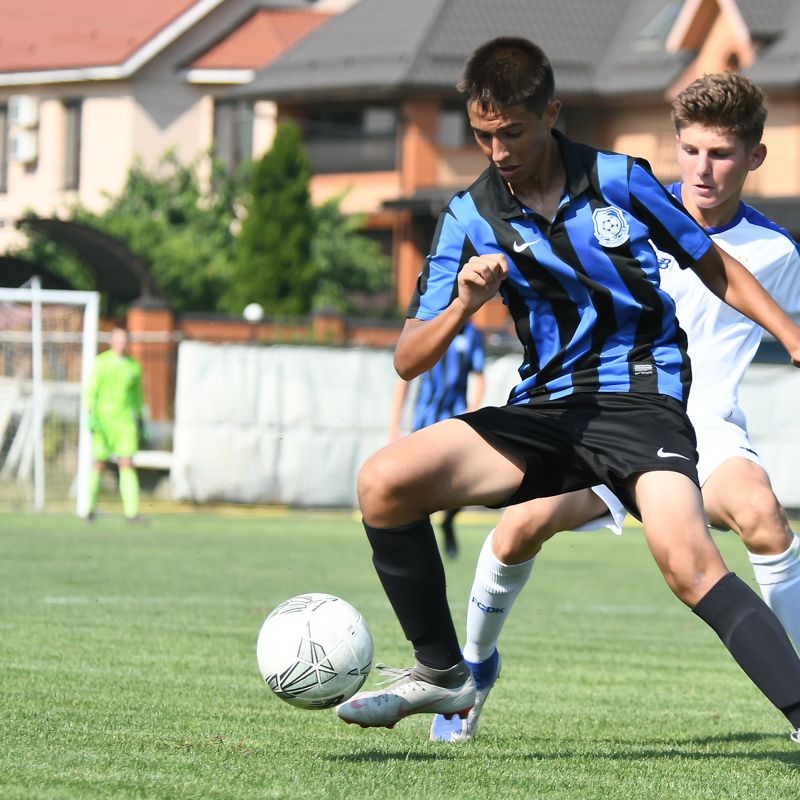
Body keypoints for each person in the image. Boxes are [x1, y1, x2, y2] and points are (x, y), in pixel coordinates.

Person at [334, 37, 800, 744]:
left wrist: (792, 338)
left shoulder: (620, 180)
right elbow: (407, 358)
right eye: (482, 134)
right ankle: (443, 673)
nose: (497, 150)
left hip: (642, 402)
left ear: (551, 113)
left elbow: (715, 266)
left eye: (512, 132)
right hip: (549, 411)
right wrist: (462, 305)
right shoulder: (469, 215)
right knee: (384, 483)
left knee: (690, 564)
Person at [388, 321, 486, 558]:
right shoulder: (429, 326)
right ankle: (419, 541)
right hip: (426, 419)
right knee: (418, 481)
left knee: (465, 482)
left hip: (455, 418)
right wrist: (394, 424)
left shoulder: (472, 334)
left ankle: (448, 522)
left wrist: (473, 407)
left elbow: (479, 376)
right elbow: (406, 376)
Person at [82, 323, 144, 523]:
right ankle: (88, 510)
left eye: (125, 340)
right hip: (103, 421)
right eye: (118, 339)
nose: (121, 343)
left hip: (125, 422)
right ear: (111, 341)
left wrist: (142, 419)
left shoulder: (134, 367)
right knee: (99, 463)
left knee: (127, 462)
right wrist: (90, 414)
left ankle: (132, 514)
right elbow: (91, 390)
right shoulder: (101, 363)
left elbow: (137, 397)